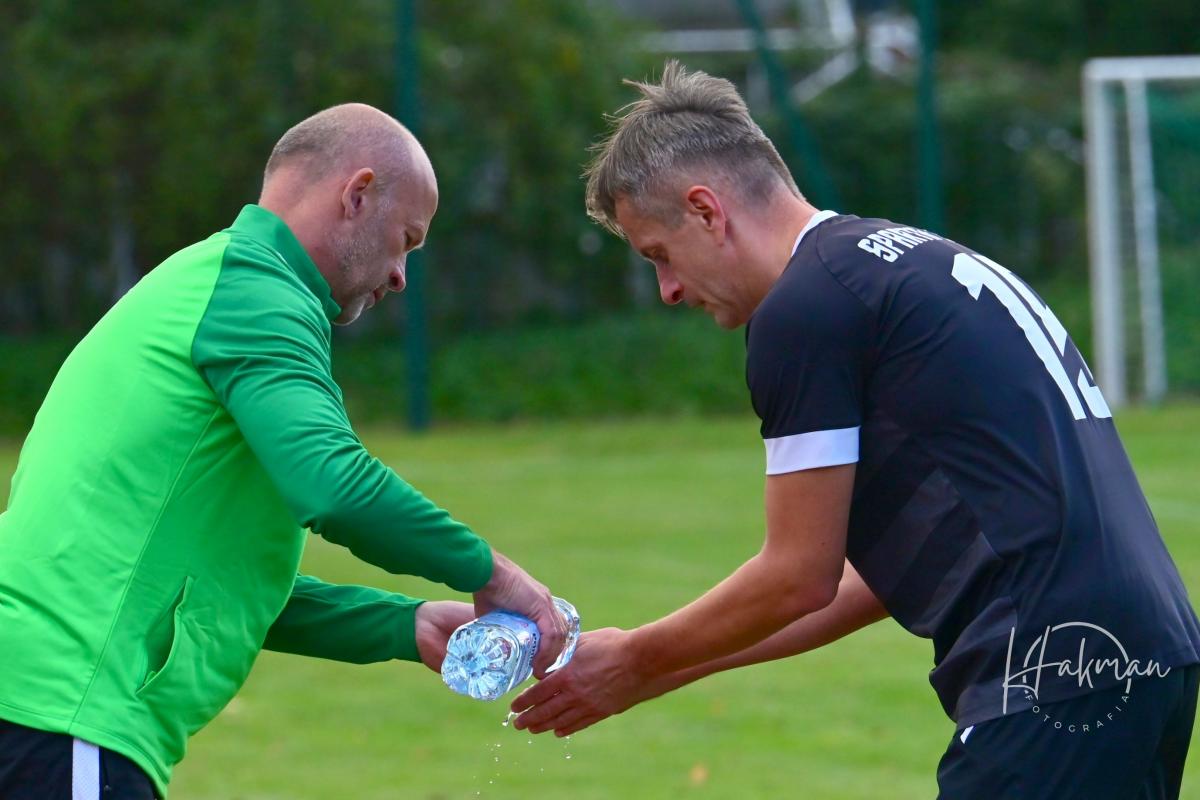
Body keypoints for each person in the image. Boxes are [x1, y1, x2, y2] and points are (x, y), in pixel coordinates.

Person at [511, 62, 1200, 799]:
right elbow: (865, 579)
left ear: (706, 211)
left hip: (1047, 670)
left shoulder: (805, 310)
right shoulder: (906, 263)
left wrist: (638, 655)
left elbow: (797, 575)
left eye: (659, 255)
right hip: (1149, 654)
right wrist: (653, 671)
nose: (669, 290)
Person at [0, 103, 566, 799]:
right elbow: (334, 485)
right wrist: (491, 572)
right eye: (406, 240)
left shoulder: (210, 282)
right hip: (62, 717)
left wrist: (405, 625)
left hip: (35, 703)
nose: (400, 276)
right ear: (357, 196)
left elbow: (221, 585)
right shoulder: (256, 295)